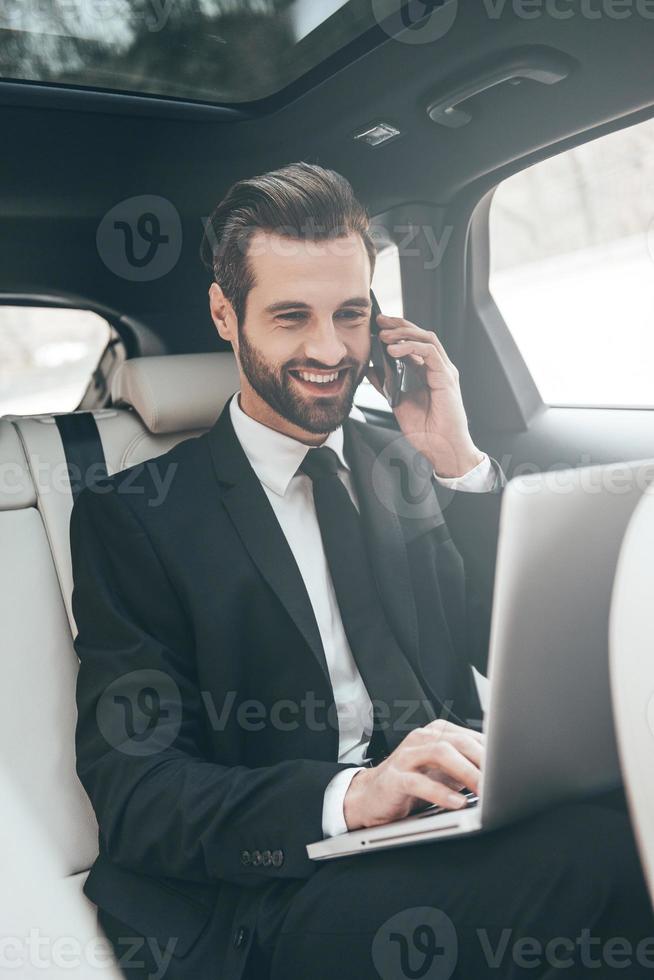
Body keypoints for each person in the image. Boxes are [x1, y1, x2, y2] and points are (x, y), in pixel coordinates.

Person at [70, 162, 654, 980]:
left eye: (351, 314)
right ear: (223, 314)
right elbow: (139, 796)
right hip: (281, 879)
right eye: (291, 316)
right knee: (595, 858)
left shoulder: (403, 463)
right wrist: (351, 796)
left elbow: (512, 647)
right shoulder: (137, 515)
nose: (329, 350)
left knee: (626, 821)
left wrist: (459, 465)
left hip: (449, 821)